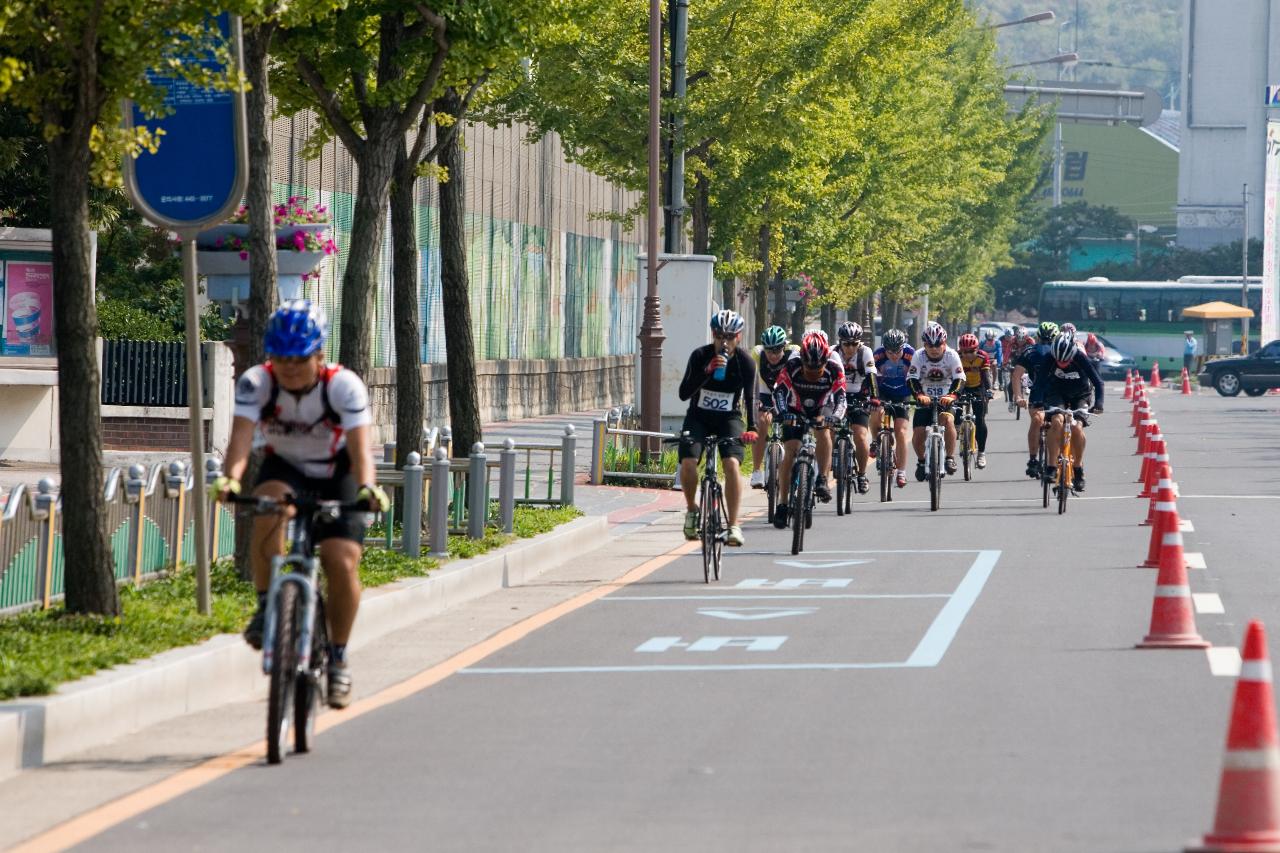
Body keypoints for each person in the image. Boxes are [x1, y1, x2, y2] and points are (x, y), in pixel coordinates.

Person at [211, 300, 389, 709]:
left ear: (319, 355)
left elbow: (361, 449)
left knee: (341, 560)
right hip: (286, 467)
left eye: (299, 359)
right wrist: (232, 478)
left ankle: (339, 658)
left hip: (338, 470)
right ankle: (264, 607)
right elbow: (240, 438)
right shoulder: (257, 383)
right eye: (281, 358)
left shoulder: (343, 386)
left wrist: (366, 487)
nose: (289, 369)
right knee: (267, 507)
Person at [676, 309, 757, 546]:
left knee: (731, 463)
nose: (725, 341)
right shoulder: (700, 355)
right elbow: (683, 394)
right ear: (713, 334)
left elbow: (752, 399)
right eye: (720, 335)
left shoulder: (745, 362)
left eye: (730, 336)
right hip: (698, 417)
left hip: (728, 418)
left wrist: (752, 427)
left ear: (738, 337)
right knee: (689, 462)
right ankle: (692, 510)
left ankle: (733, 524)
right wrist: (706, 372)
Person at [772, 331, 846, 528]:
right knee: (790, 451)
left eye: (818, 369)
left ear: (826, 361)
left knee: (824, 431)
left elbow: (841, 399)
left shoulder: (834, 368)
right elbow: (779, 392)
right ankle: (782, 503)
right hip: (795, 408)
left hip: (822, 407)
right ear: (802, 359)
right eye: (809, 369)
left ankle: (822, 478)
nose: (813, 373)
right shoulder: (791, 366)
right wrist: (782, 414)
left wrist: (835, 418)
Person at [1042, 333, 1104, 491]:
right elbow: (1039, 382)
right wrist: (1036, 400)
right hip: (1057, 393)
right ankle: (1051, 467)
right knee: (1056, 421)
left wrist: (1099, 403)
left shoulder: (1081, 358)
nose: (1062, 364)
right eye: (1059, 361)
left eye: (1065, 360)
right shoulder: (1050, 357)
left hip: (1080, 395)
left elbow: (1098, 382)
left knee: (1076, 427)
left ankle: (1078, 469)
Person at [907, 322, 965, 480]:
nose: (933, 349)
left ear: (944, 343)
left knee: (948, 420)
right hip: (925, 398)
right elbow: (912, 379)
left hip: (946, 397)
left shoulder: (952, 355)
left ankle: (949, 458)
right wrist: (918, 394)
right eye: (929, 345)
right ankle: (921, 461)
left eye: (937, 344)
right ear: (924, 344)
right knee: (918, 433)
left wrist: (952, 395)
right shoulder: (918, 356)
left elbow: (960, 379)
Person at [749, 326, 798, 489]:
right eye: (769, 350)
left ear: (784, 347)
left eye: (777, 350)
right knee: (761, 421)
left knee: (793, 425)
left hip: (787, 394)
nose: (773, 355)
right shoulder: (757, 353)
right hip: (766, 393)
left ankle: (797, 463)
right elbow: (749, 380)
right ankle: (757, 471)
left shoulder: (794, 353)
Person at [1012, 321, 1060, 478]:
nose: (1045, 344)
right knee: (1037, 420)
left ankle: (1060, 454)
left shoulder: (1062, 351)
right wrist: (1018, 396)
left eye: (1049, 340)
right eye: (1043, 340)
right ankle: (1033, 460)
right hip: (1038, 393)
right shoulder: (1029, 352)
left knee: (1060, 423)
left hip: (1057, 394)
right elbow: (1017, 375)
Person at [836, 321, 878, 495]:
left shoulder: (865, 352)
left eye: (854, 344)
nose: (850, 348)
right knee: (827, 431)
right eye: (846, 344)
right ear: (840, 342)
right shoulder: (832, 352)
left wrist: (874, 397)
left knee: (860, 436)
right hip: (837, 395)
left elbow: (871, 376)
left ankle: (861, 475)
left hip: (859, 395)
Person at [872, 328, 915, 489]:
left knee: (901, 431)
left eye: (898, 352)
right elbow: (868, 375)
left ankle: (902, 472)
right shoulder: (878, 355)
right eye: (890, 353)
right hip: (883, 391)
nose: (895, 356)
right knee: (875, 412)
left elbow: (918, 375)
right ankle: (876, 442)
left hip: (902, 393)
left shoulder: (912, 355)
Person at [957, 333, 994, 469]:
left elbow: (985, 376)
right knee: (955, 412)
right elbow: (954, 377)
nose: (968, 355)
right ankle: (958, 429)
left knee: (980, 419)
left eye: (971, 351)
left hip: (979, 386)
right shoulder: (957, 357)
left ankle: (981, 453)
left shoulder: (982, 356)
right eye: (964, 352)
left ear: (977, 349)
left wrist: (988, 391)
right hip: (962, 386)